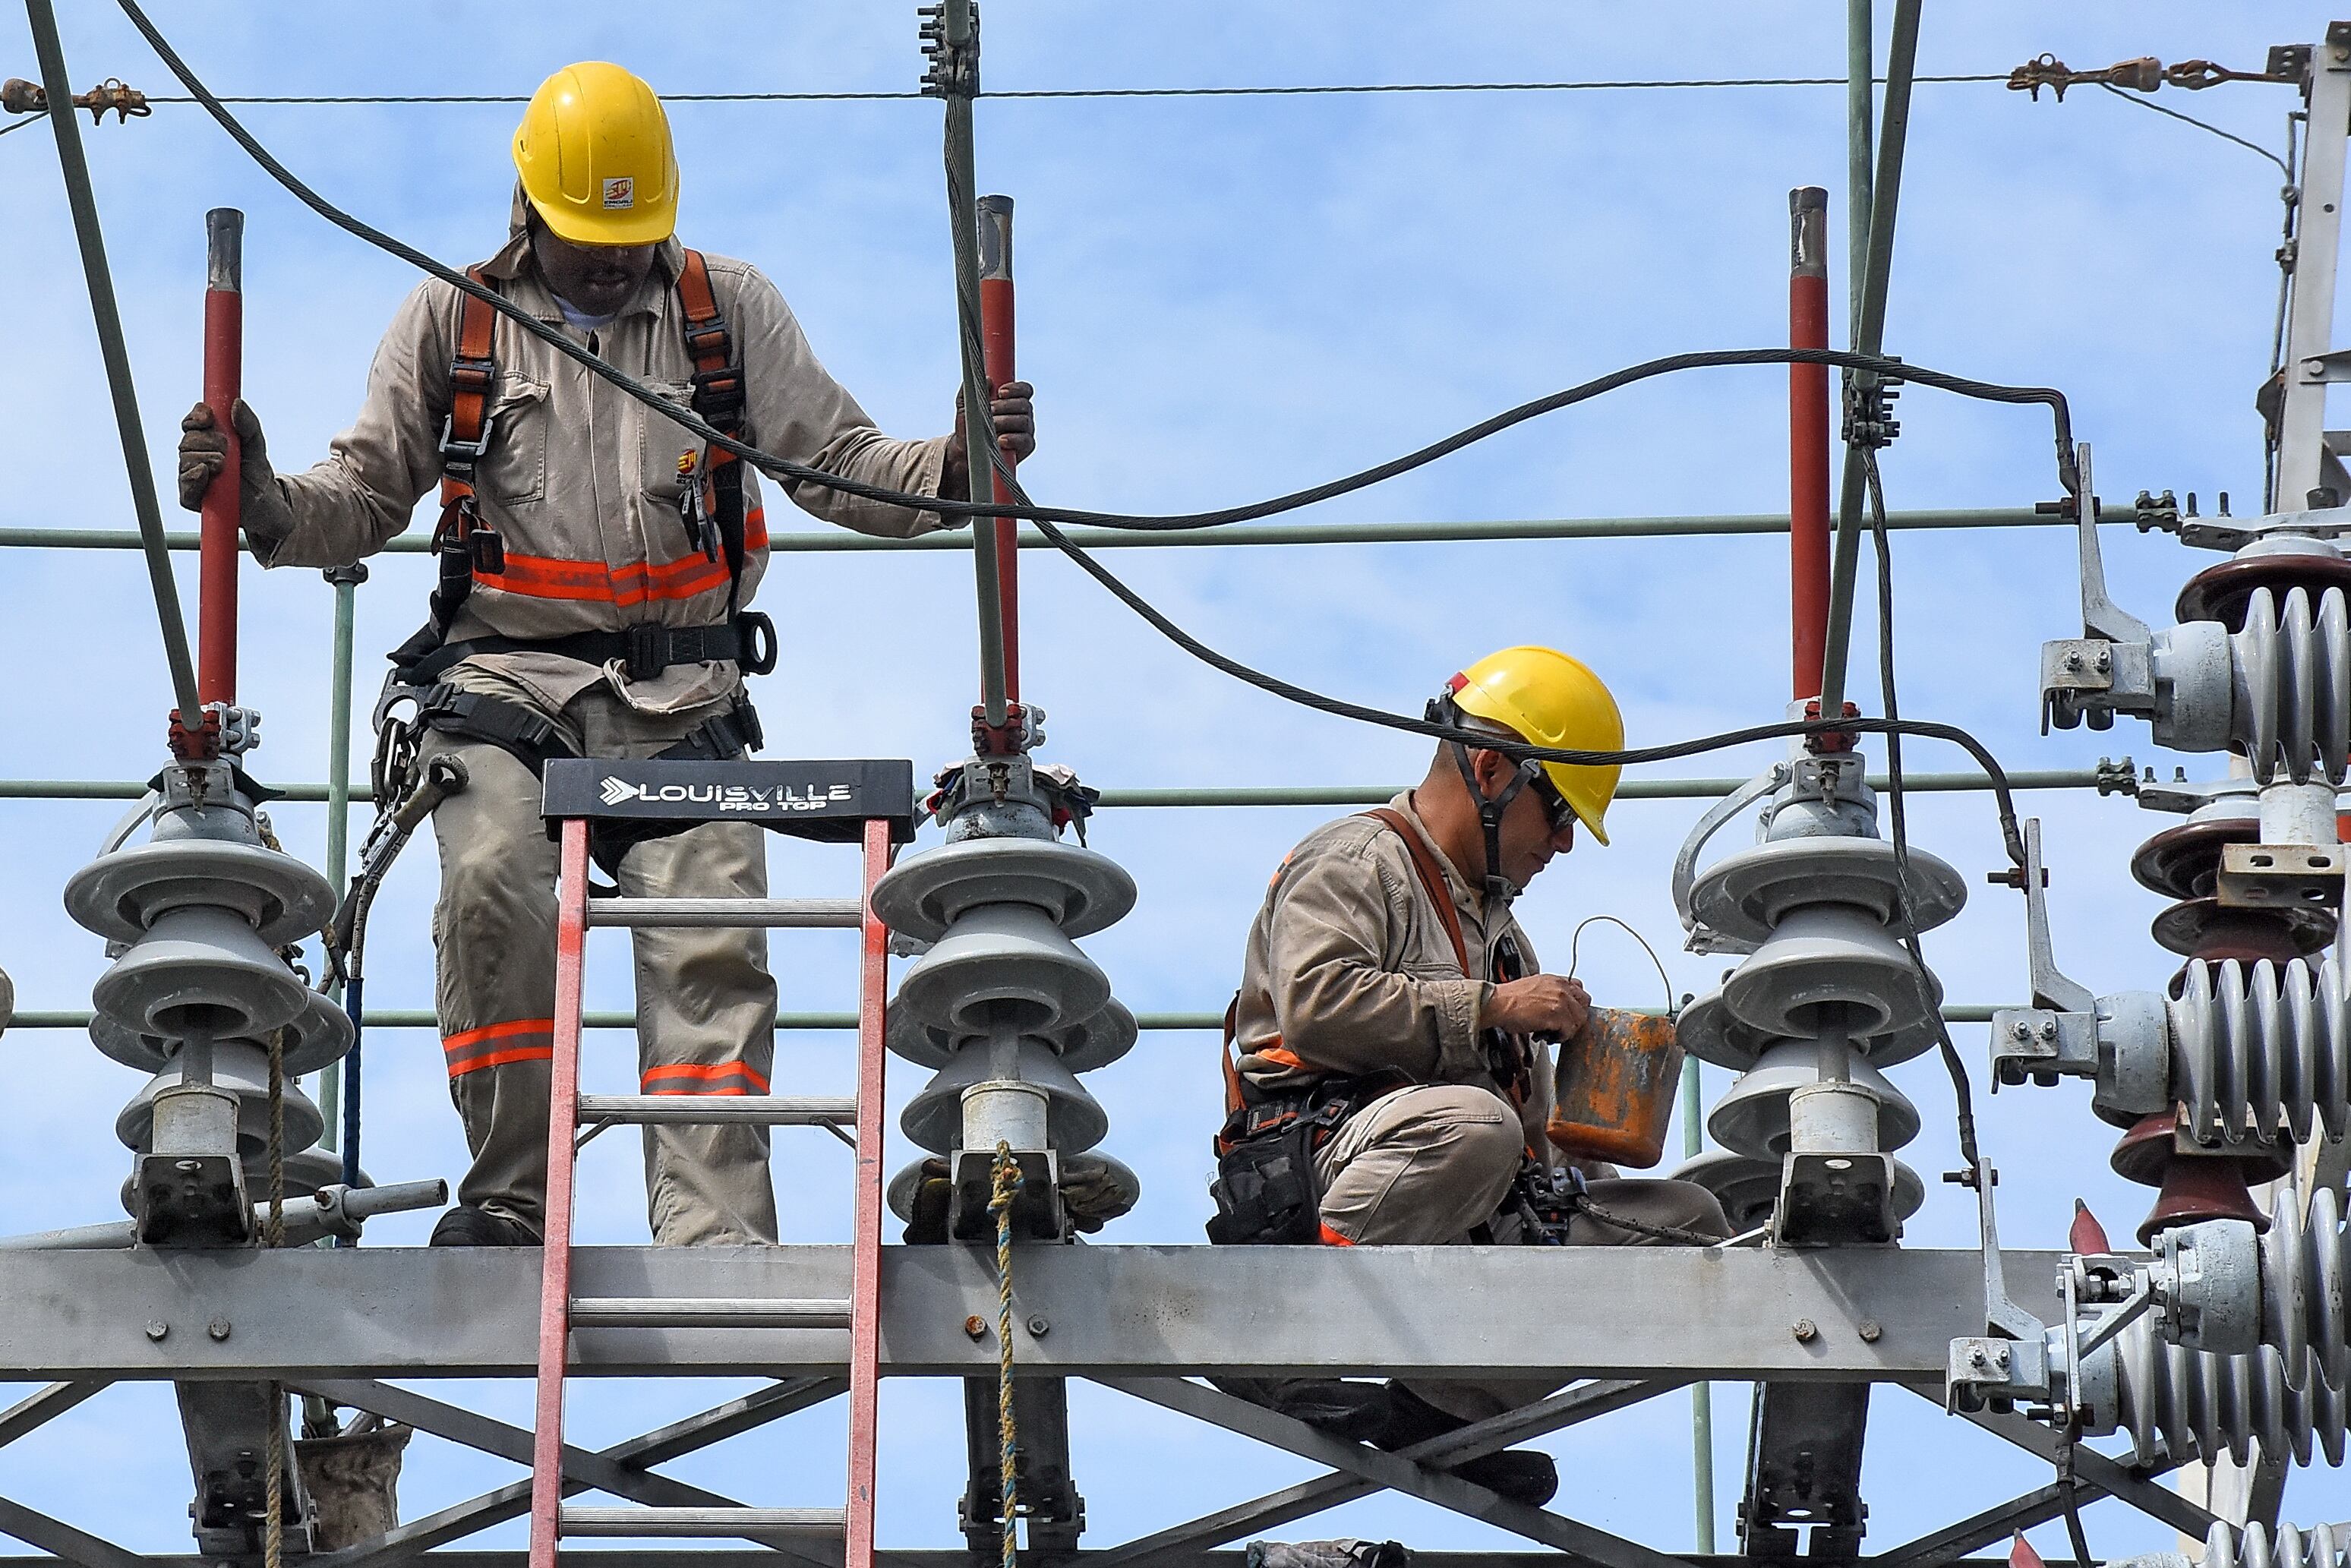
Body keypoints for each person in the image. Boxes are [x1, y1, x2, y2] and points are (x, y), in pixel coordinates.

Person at [176, 61, 1035, 1248]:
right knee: (493, 892)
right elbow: (364, 491)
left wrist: (958, 465)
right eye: (588, 238)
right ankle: (514, 1199)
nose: (609, 260)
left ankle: (718, 1235)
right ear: (528, 210)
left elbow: (837, 459)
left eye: (631, 237)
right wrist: (259, 498)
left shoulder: (724, 310)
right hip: (501, 700)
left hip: (685, 705)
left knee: (712, 935)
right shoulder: (455, 319)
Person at [1207, 646, 1730, 1506]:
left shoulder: (1500, 934)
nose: (1564, 842)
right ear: (1491, 769)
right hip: (1327, 1180)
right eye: (1559, 812)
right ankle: (1291, 1333)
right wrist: (1490, 1008)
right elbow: (1313, 1003)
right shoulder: (1354, 860)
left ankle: (1442, 1409)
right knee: (1472, 1128)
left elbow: (1528, 1137)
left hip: (1465, 1202)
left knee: (1690, 1230)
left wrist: (1592, 1154)